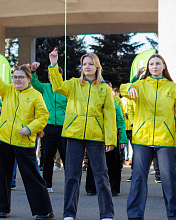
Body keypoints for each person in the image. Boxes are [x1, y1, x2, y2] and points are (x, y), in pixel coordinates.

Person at [48, 48, 116, 220]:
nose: (87, 66)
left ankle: (107, 214)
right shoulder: (73, 84)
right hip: (74, 135)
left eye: (90, 64)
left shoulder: (105, 90)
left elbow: (109, 116)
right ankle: (69, 214)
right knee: (71, 176)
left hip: (96, 138)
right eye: (84, 64)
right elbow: (56, 86)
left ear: (97, 66)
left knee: (101, 177)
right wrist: (54, 64)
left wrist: (110, 139)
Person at [0, 53, 53, 219]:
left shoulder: (35, 96)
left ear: (28, 79)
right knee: (3, 175)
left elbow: (43, 116)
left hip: (24, 141)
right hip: (3, 139)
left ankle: (44, 210)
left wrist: (29, 129)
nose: (17, 80)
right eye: (14, 77)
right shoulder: (8, 90)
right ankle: (2, 209)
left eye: (20, 77)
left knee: (32, 177)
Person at [120, 54, 176, 220]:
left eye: (158, 63)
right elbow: (123, 89)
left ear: (164, 66)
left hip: (166, 139)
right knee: (138, 179)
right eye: (151, 64)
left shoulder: (173, 88)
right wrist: (131, 86)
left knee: (169, 180)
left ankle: (173, 215)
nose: (154, 66)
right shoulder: (140, 85)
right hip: (142, 140)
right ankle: (135, 215)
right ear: (148, 67)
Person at [86, 81, 128, 197]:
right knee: (93, 164)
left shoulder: (116, 107)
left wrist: (123, 139)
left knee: (114, 164)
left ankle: (114, 188)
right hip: (96, 138)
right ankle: (91, 187)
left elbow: (121, 123)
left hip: (112, 138)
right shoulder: (93, 104)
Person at [31, 62, 67, 193]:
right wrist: (33, 71)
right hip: (48, 127)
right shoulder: (45, 88)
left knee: (66, 157)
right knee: (47, 157)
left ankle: (70, 185)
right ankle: (47, 184)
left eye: (56, 75)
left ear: (61, 76)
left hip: (64, 127)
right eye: (51, 75)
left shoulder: (66, 89)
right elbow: (34, 83)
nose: (53, 77)